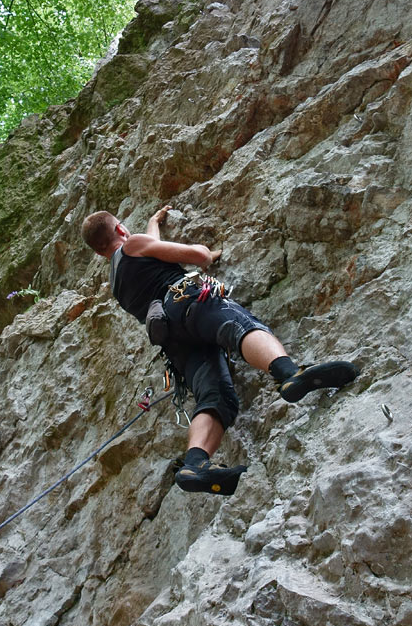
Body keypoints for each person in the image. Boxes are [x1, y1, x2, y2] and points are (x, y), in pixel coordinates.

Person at [81, 205, 358, 496]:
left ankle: (196, 463)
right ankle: (289, 374)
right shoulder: (134, 244)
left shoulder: (117, 284)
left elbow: (152, 249)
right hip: (187, 301)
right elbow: (198, 256)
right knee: (238, 324)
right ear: (121, 230)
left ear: (99, 253)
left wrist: (153, 223)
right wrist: (207, 253)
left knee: (215, 395)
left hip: (172, 340)